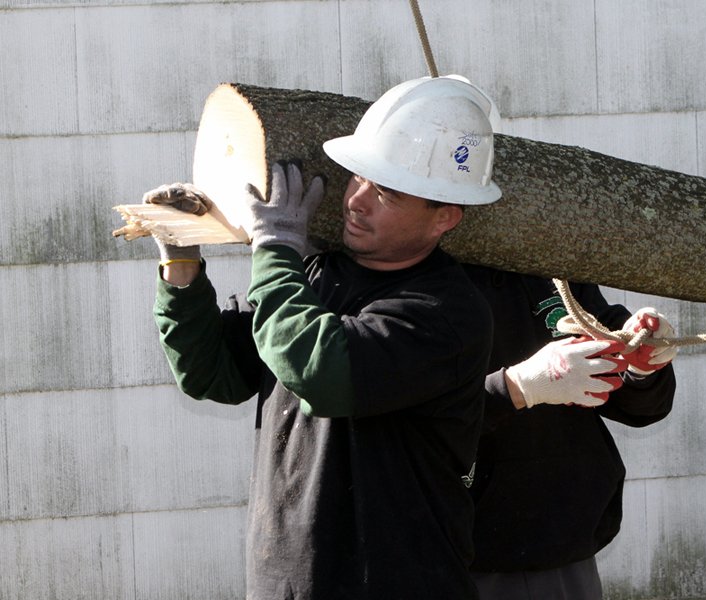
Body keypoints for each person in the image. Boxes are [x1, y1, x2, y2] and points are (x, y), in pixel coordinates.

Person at [146, 76, 502, 599]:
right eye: (357, 178)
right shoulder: (314, 274)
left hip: (396, 582)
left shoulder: (447, 312)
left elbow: (323, 372)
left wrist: (274, 248)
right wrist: (181, 265)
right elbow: (214, 376)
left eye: (387, 192)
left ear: (444, 216)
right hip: (285, 578)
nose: (356, 200)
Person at [461, 265, 677, 599]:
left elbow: (638, 406)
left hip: (565, 541)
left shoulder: (553, 267)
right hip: (458, 549)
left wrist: (642, 367)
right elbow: (408, 421)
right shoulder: (420, 273)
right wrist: (515, 388)